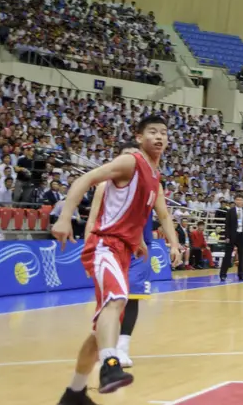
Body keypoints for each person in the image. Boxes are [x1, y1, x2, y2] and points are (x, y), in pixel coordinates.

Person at [53, 116, 182, 405]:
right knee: (118, 300)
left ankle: (74, 393)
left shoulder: (154, 176)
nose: (159, 137)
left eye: (164, 132)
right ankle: (111, 365)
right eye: (153, 132)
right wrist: (64, 217)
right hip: (104, 245)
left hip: (123, 249)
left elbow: (134, 212)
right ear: (139, 137)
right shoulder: (131, 162)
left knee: (100, 329)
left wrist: (137, 240)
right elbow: (85, 179)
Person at [84, 141, 152, 369]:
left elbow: (146, 217)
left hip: (133, 249)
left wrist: (168, 242)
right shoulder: (105, 186)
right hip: (107, 246)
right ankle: (106, 354)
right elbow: (93, 218)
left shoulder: (146, 184)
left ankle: (116, 350)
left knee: (126, 297)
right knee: (111, 302)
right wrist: (88, 250)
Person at [220, 193, 243, 282]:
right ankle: (223, 274)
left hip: (241, 235)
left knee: (241, 255)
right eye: (237, 200)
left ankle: (241, 274)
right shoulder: (230, 211)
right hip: (232, 235)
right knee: (227, 255)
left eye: (241, 200)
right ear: (235, 201)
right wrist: (227, 236)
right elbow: (227, 225)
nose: (239, 201)